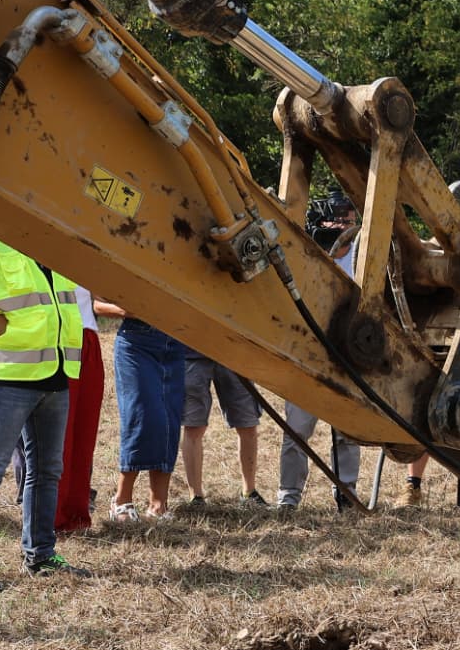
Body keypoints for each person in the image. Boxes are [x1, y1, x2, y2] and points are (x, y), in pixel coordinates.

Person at [0, 239, 90, 577]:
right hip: (7, 378)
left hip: (54, 378)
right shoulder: (0, 250)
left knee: (47, 470)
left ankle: (40, 556)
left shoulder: (54, 251)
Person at [278, 200, 363, 510]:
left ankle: (347, 493)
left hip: (347, 356)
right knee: (297, 430)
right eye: (337, 220)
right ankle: (288, 497)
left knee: (347, 433)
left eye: (349, 220)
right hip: (307, 354)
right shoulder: (304, 255)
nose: (343, 227)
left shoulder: (363, 258)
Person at [96, 302, 184, 521]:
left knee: (168, 422)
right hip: (136, 342)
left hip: (175, 339)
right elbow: (97, 304)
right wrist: (131, 310)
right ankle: (121, 500)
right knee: (141, 418)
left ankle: (158, 505)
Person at [181, 352, 264, 506]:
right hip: (191, 352)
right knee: (193, 427)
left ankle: (249, 492)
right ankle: (196, 497)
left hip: (234, 352)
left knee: (247, 424)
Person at [53, 282, 104, 532]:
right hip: (55, 338)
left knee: (84, 433)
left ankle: (75, 513)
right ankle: (51, 517)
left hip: (87, 336)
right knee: (58, 437)